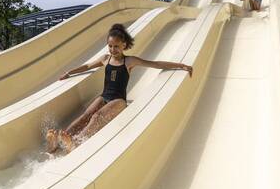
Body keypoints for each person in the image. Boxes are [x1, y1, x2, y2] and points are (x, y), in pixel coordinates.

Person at [46, 24, 193, 153]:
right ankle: (60, 139)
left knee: (96, 117)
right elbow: (87, 66)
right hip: (104, 96)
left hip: (119, 100)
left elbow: (155, 64)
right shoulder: (105, 59)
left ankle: (76, 143)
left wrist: (181, 65)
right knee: (87, 114)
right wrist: (69, 73)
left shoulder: (129, 61)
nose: (112, 49)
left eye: (116, 46)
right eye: (110, 46)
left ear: (124, 45)